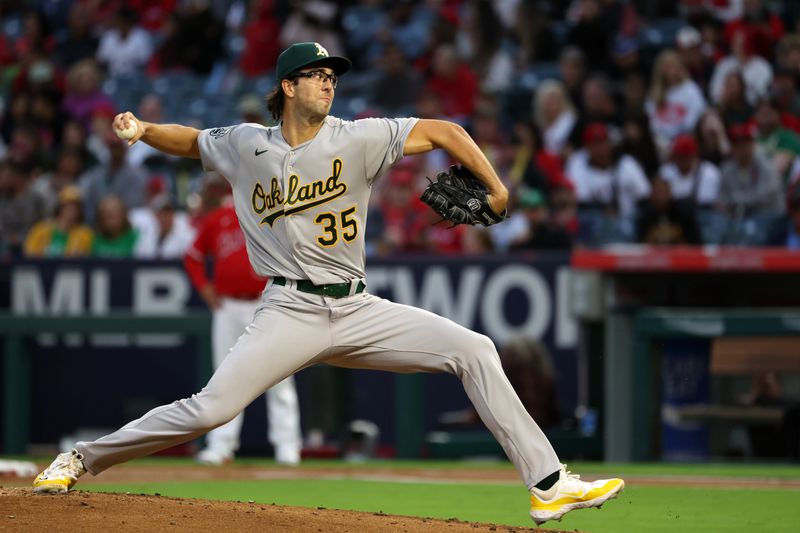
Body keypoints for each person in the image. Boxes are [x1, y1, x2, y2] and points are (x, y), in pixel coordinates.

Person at [33, 42, 624, 526]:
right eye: (315, 76)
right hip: (287, 310)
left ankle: (547, 483)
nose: (327, 84)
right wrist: (142, 130)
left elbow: (444, 130)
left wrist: (495, 188)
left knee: (474, 349)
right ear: (288, 87)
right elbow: (191, 141)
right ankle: (81, 458)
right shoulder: (246, 144)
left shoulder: (358, 137)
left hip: (356, 306)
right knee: (210, 411)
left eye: (331, 76)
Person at [184, 194, 302, 466]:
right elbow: (192, 258)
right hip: (228, 306)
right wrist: (205, 288)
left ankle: (288, 445)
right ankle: (220, 445)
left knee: (279, 373)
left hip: (266, 301)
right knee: (225, 376)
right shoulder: (218, 219)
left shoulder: (272, 213)